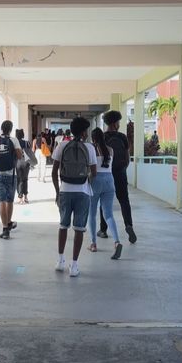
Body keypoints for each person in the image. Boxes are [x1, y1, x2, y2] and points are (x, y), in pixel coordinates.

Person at [52, 117, 97, 277]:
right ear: (84, 132)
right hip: (83, 192)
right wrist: (85, 179)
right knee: (79, 229)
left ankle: (60, 261)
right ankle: (74, 265)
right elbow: (94, 172)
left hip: (65, 190)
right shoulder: (90, 148)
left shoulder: (62, 145)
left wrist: (58, 192)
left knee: (63, 226)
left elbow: (54, 171)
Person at [97, 110, 137, 244]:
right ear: (115, 123)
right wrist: (122, 170)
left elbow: (99, 157)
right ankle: (128, 225)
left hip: (106, 174)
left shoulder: (102, 137)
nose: (119, 124)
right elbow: (127, 158)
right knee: (124, 200)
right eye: (119, 122)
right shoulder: (122, 137)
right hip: (120, 173)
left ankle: (103, 230)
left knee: (104, 202)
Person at [87, 128, 123, 259]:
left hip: (96, 181)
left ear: (93, 138)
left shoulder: (92, 150)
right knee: (108, 214)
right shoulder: (111, 150)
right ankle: (117, 241)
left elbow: (91, 169)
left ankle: (93, 243)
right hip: (109, 180)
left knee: (92, 214)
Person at [0, 120, 23, 239]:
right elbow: (19, 156)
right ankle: (9, 223)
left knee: (1, 201)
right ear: (10, 129)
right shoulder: (14, 140)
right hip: (11, 175)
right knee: (9, 201)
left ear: (1, 129)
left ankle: (5, 229)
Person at [15, 129, 31, 204]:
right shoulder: (26, 143)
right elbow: (30, 153)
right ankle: (26, 197)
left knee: (19, 180)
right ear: (23, 134)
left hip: (18, 162)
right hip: (26, 162)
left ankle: (20, 197)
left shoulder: (14, 143)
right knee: (25, 179)